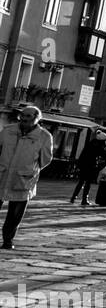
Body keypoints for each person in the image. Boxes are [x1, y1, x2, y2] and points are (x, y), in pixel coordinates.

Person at [0, 106, 54, 248]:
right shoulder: (8, 131)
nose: (24, 118)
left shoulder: (44, 136)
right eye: (22, 115)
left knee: (15, 214)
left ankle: (8, 240)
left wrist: (30, 169)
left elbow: (45, 159)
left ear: (37, 118)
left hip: (24, 178)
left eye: (28, 116)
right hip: (2, 173)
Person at [70, 129, 106, 206]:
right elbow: (104, 155)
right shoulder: (99, 146)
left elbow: (83, 154)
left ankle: (74, 197)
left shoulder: (91, 143)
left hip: (83, 165)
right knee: (88, 183)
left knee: (81, 182)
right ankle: (84, 199)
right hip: (91, 166)